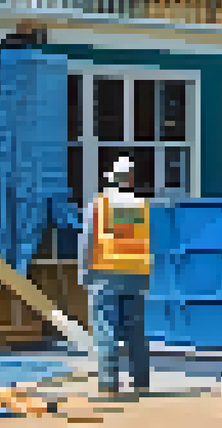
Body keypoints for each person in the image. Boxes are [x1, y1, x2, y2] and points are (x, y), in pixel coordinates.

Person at [78, 155, 151, 398]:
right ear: (131, 179)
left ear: (111, 179)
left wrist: (83, 272)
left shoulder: (99, 205)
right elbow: (148, 240)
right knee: (135, 330)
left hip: (105, 273)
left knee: (105, 328)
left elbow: (87, 241)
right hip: (135, 275)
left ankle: (109, 384)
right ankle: (141, 382)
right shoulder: (141, 205)